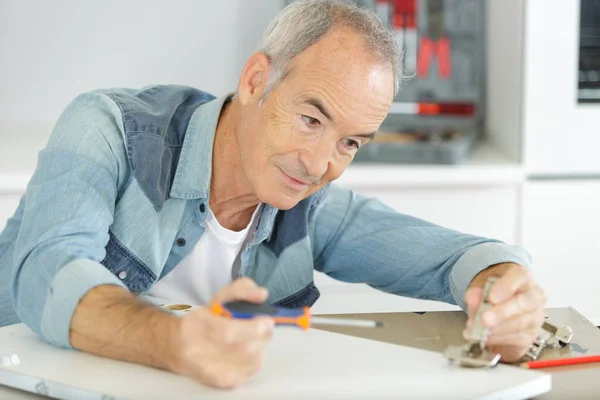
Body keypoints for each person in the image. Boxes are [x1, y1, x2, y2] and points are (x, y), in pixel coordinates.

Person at [0, 0, 546, 390]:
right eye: (311, 118)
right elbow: (47, 271)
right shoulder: (108, 128)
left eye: (350, 141)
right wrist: (174, 341)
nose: (319, 165)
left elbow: (453, 258)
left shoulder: (305, 201)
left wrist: (503, 291)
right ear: (258, 79)